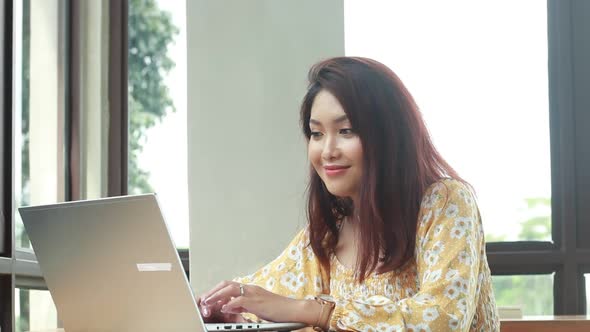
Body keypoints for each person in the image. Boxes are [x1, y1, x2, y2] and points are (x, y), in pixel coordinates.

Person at [198, 57, 500, 331]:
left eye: (346, 131)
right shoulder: (329, 231)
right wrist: (219, 308)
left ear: (388, 135)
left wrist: (317, 312)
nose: (327, 151)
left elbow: (442, 319)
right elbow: (261, 295)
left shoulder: (445, 202)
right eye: (316, 134)